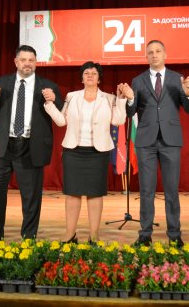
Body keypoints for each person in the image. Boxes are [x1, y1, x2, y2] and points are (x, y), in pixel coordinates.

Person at [0, 45, 63, 240]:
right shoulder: (2, 83)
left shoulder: (48, 86)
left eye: (31, 60)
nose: (27, 63)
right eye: (24, 60)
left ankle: (29, 239)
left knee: (31, 198)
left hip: (31, 147)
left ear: (36, 63)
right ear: (16, 62)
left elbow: (61, 114)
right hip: (3, 146)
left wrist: (55, 99)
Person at [44, 61, 128, 243]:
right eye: (86, 73)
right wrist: (49, 104)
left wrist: (121, 100)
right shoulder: (72, 96)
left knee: (95, 194)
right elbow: (61, 121)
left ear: (99, 79)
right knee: (72, 193)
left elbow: (118, 120)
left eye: (94, 73)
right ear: (81, 78)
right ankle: (70, 234)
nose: (90, 76)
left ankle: (94, 236)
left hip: (98, 153)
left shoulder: (109, 98)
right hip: (73, 151)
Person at [125, 39, 189, 246]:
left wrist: (188, 95)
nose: (154, 55)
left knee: (171, 190)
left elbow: (188, 109)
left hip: (170, 140)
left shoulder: (177, 78)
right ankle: (145, 234)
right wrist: (130, 99)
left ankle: (174, 234)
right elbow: (131, 111)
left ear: (165, 54)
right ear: (146, 56)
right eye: (150, 52)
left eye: (158, 51)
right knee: (146, 190)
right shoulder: (138, 80)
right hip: (145, 141)